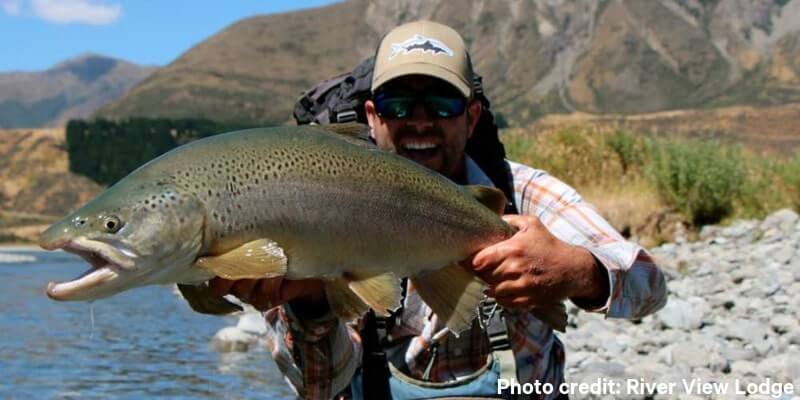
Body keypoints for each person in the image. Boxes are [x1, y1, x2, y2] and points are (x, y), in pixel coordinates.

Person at [210, 20, 667, 400]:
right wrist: (311, 307)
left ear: (471, 117)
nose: (420, 121)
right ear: (372, 116)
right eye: (398, 105)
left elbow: (649, 285)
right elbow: (320, 386)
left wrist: (580, 272)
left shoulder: (522, 192)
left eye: (442, 104)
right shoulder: (312, 208)